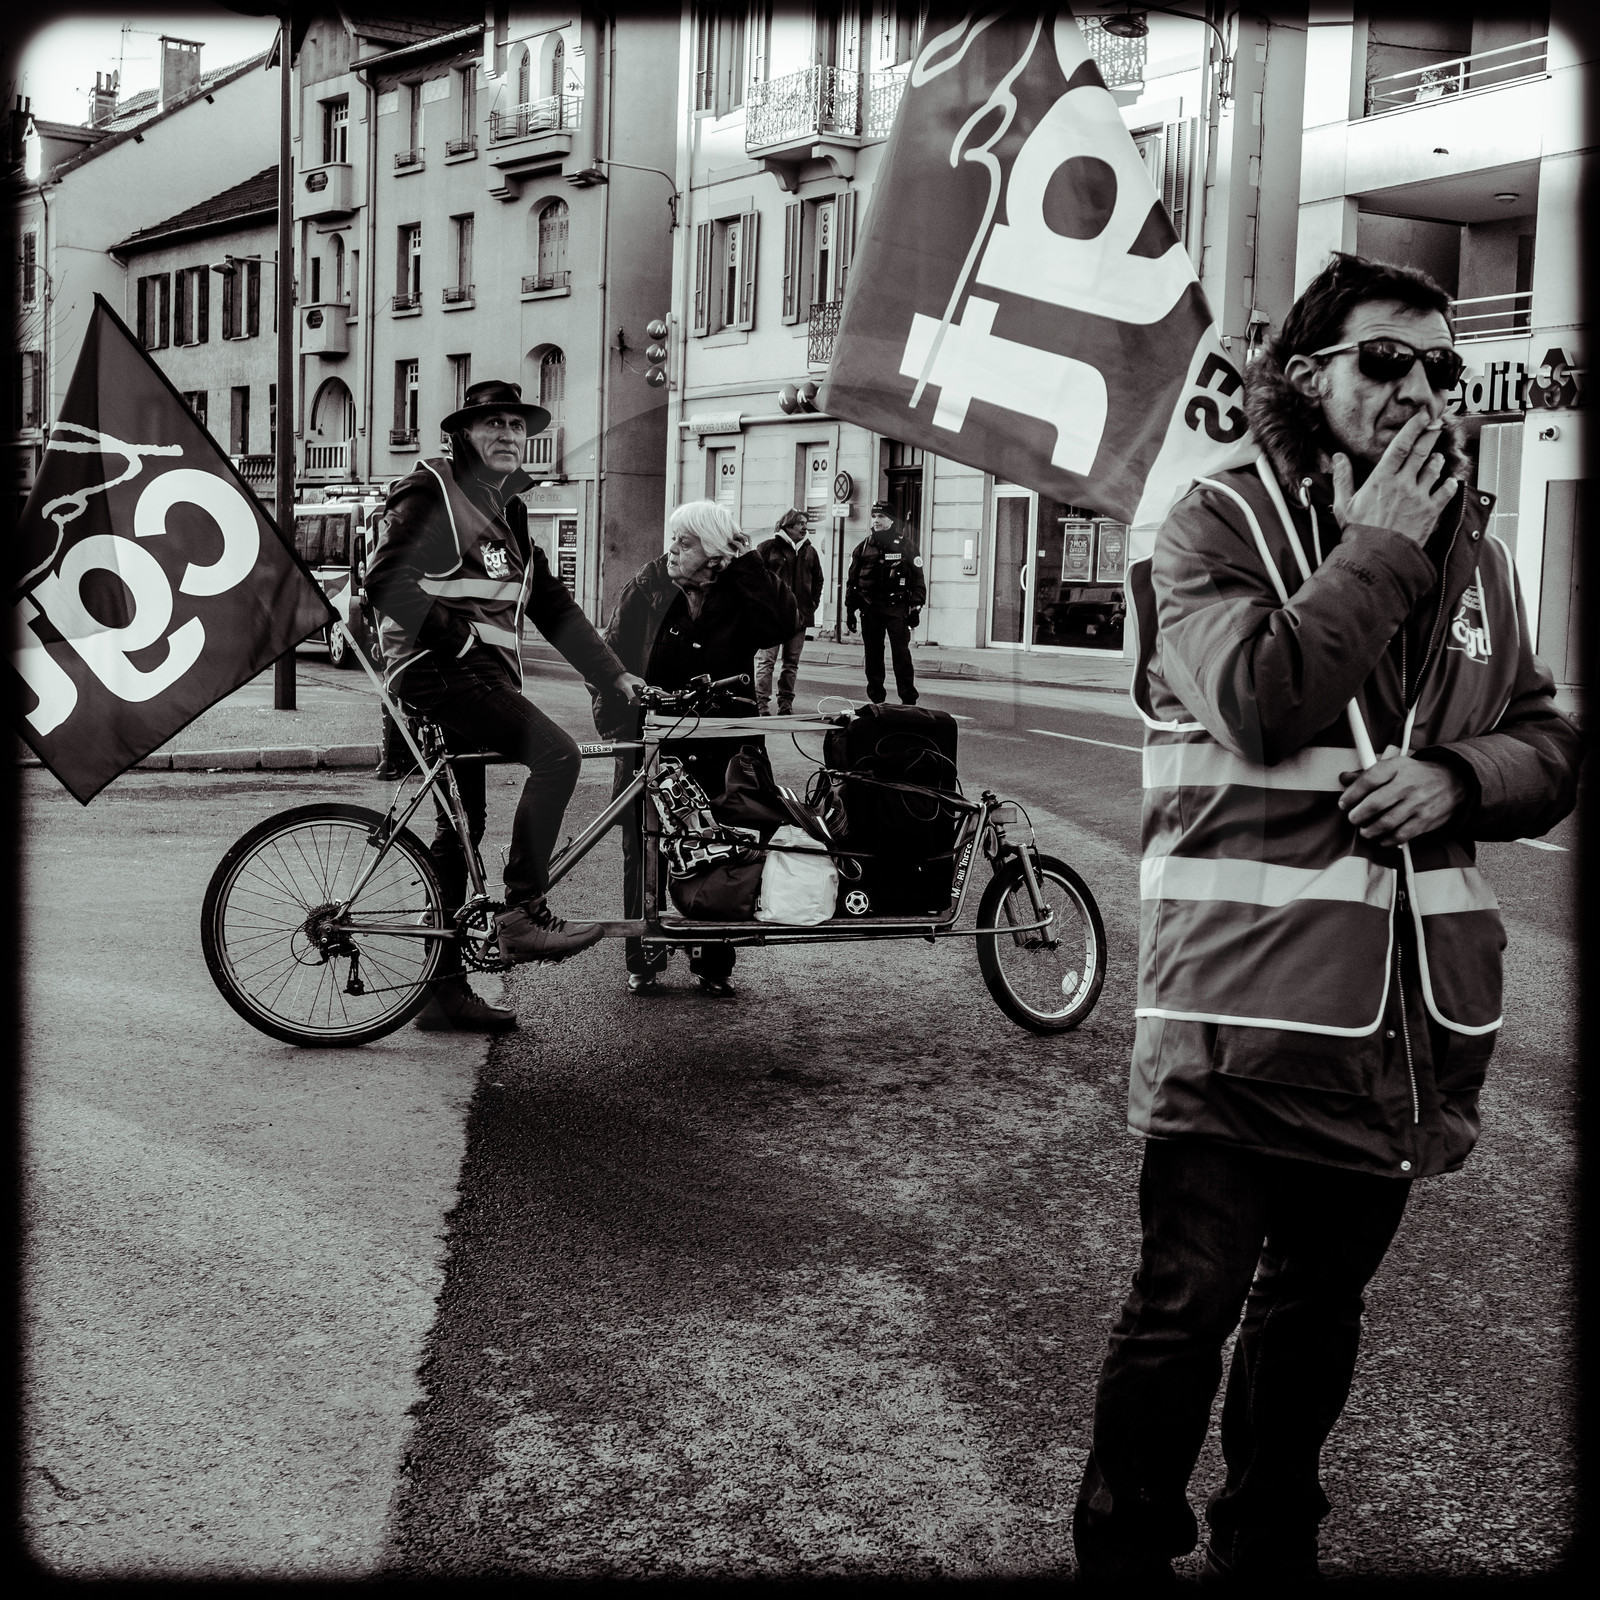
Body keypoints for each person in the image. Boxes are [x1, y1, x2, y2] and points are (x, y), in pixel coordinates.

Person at [1072, 253, 1582, 1587]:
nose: (1419, 390)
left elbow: (1549, 742)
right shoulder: (1208, 526)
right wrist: (1383, 548)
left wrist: (1460, 776)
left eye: (1440, 369)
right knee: (1184, 1312)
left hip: (1400, 1027)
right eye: (1384, 362)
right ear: (1306, 376)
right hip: (1241, 1020)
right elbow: (1260, 698)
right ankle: (1125, 1550)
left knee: (1315, 1316)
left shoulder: (1479, 557)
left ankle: (1267, 1547)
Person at [365, 378, 644, 1032]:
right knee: (558, 755)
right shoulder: (434, 490)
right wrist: (456, 638)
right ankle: (523, 911)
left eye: (517, 426)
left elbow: (550, 605)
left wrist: (613, 676)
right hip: (438, 671)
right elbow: (385, 580)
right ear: (464, 433)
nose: (508, 436)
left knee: (459, 830)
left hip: (469, 674)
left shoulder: (508, 511)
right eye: (492, 424)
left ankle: (441, 993)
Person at [596, 500, 801, 998]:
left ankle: (712, 958)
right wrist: (622, 728)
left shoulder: (740, 588)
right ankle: (645, 951)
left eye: (684, 543)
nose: (671, 550)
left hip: (723, 744)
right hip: (653, 744)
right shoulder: (647, 587)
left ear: (713, 553)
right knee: (643, 847)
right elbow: (610, 659)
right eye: (672, 538)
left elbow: (781, 623)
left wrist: (746, 561)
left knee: (724, 845)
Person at [846, 500, 924, 705]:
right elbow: (852, 581)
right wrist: (849, 610)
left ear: (891, 520)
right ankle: (877, 699)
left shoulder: (907, 546)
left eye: (880, 516)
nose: (876, 520)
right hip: (870, 608)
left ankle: (908, 700)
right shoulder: (862, 547)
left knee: (901, 655)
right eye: (873, 516)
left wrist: (916, 607)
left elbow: (918, 581)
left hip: (896, 607)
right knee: (873, 655)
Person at [754, 508, 824, 715]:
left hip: (799, 618)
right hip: (772, 618)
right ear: (788, 525)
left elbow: (818, 580)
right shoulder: (768, 548)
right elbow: (754, 579)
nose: (805, 527)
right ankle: (761, 706)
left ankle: (785, 706)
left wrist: (812, 604)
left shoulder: (809, 551)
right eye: (800, 523)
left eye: (806, 523)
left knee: (791, 664)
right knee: (766, 662)